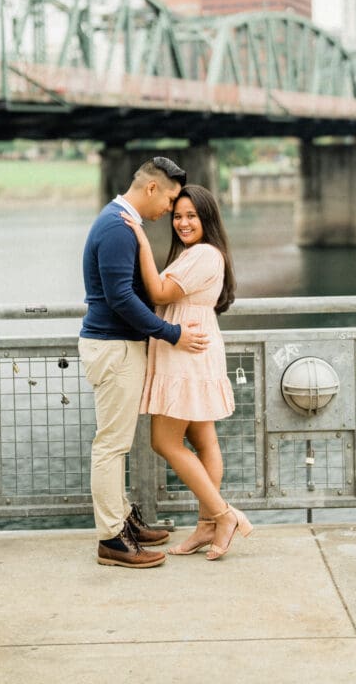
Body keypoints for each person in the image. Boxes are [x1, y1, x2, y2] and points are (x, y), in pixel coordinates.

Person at [78, 156, 210, 569]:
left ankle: (123, 522)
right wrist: (172, 334)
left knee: (114, 443)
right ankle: (113, 540)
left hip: (117, 345)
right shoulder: (118, 228)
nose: (171, 210)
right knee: (111, 445)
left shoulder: (118, 222)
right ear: (152, 188)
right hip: (114, 346)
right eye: (171, 200)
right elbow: (121, 298)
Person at [120, 183, 253, 561]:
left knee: (165, 441)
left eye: (191, 216)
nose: (182, 223)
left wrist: (143, 243)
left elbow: (161, 293)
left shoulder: (205, 255)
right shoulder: (199, 254)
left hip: (186, 350)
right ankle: (206, 527)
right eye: (177, 216)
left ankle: (223, 516)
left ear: (207, 218)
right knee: (204, 440)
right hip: (190, 345)